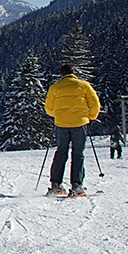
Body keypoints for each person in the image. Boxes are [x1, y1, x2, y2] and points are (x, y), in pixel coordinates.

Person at [44, 64, 101, 197]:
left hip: (61, 124)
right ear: (74, 73)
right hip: (79, 124)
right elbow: (95, 104)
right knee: (78, 154)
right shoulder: (84, 85)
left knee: (61, 152)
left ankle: (56, 185)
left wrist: (58, 114)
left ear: (62, 75)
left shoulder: (55, 87)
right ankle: (77, 186)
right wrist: (90, 117)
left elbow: (48, 108)